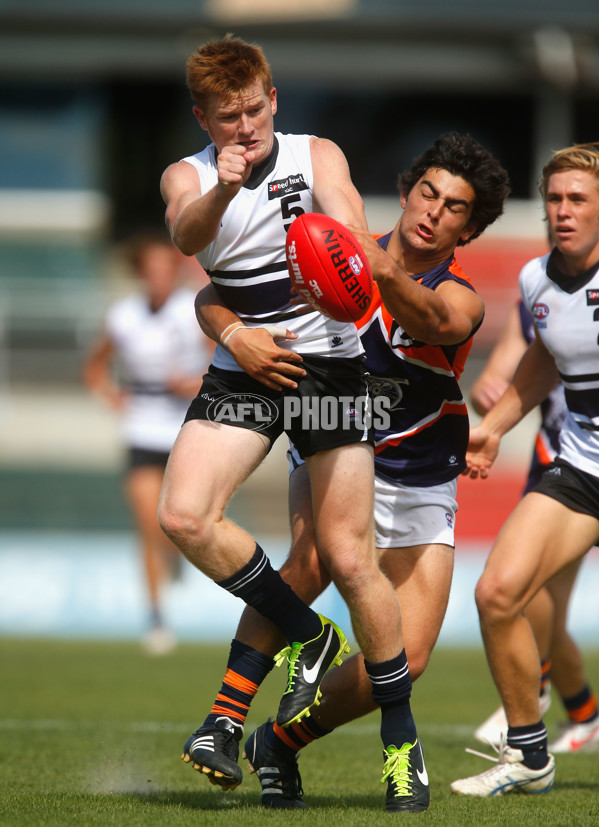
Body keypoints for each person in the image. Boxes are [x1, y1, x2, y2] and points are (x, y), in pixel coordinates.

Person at [193, 132, 510, 811]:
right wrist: (233, 333)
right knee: (308, 559)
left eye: (455, 207)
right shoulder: (322, 251)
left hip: (420, 476)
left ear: (472, 228)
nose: (434, 211)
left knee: (406, 659)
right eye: (428, 192)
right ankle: (225, 716)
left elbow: (434, 319)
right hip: (334, 441)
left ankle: (278, 739)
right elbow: (213, 297)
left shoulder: (459, 296)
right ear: (405, 191)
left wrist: (373, 265)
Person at [157, 33, 414, 802]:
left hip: (332, 364)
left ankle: (402, 745)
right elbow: (186, 237)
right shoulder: (189, 175)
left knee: (344, 553)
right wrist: (225, 191)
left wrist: (349, 259)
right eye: (228, 115)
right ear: (203, 117)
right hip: (247, 365)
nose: (246, 126)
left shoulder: (315, 153)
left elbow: (348, 226)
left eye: (256, 107)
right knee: (184, 514)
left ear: (275, 98)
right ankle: (311, 633)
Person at [450, 142, 599, 797]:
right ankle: (530, 755)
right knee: (497, 593)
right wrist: (493, 429)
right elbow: (544, 358)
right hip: (582, 466)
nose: (563, 211)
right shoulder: (538, 280)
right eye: (555, 200)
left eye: (578, 200)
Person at [470, 299, 599, 753]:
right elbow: (505, 373)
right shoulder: (536, 291)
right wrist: (488, 403)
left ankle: (563, 705)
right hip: (566, 462)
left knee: (543, 603)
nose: (561, 224)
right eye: (550, 221)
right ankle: (558, 714)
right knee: (521, 594)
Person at [83, 230, 212, 654]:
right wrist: (112, 397)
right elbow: (95, 367)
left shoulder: (192, 310)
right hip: (141, 427)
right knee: (147, 522)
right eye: (150, 270)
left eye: (165, 269)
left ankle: (175, 558)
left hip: (184, 426)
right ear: (140, 273)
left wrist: (194, 384)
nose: (158, 277)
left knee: (177, 520)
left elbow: (220, 359)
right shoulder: (123, 316)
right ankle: (157, 618)